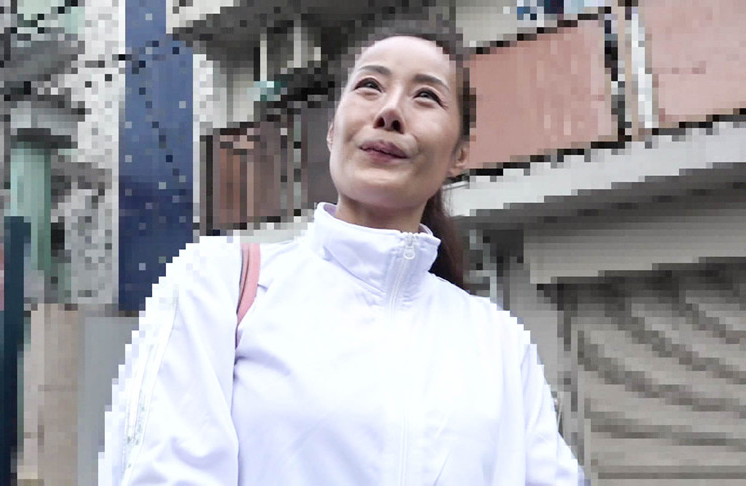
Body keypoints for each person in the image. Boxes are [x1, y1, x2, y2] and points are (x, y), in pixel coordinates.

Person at [99, 14, 584, 486]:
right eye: (370, 86)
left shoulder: (501, 346)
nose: (390, 112)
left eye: (426, 96)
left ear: (459, 153)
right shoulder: (219, 284)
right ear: (332, 130)